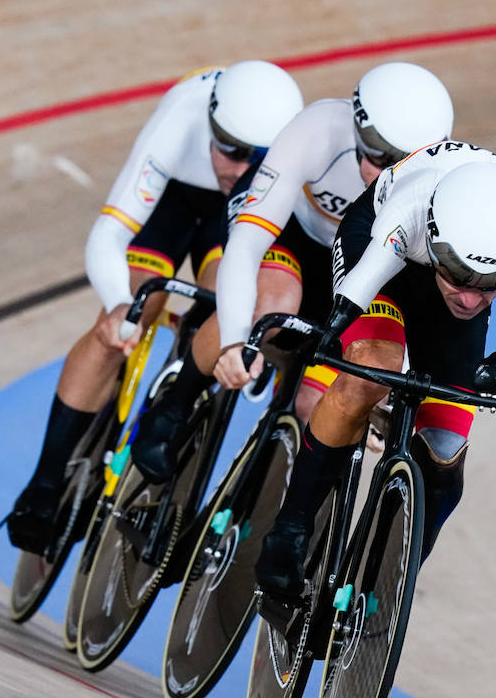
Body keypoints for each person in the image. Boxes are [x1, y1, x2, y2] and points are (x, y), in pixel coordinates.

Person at [253, 144, 496, 622]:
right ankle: (290, 530)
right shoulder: (412, 207)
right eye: (460, 276)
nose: (470, 298)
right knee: (370, 372)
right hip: (377, 247)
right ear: (438, 241)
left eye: (490, 283)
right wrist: (338, 341)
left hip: (444, 258)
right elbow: (357, 293)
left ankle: (386, 586)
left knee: (445, 455)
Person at [3, 61, 304, 553]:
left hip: (242, 215)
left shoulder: (292, 152)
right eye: (229, 149)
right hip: (172, 201)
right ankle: (44, 482)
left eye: (255, 157)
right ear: (210, 124)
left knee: (219, 311)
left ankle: (170, 455)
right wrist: (119, 304)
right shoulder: (181, 120)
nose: (236, 168)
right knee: (135, 310)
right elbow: (108, 235)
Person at [127, 61, 454, 482]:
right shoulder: (318, 131)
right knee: (272, 303)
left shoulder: (442, 182)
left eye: (405, 161)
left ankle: (259, 500)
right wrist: (234, 338)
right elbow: (246, 245)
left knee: (315, 405)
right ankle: (174, 406)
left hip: (354, 267)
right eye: (378, 156)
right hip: (292, 235)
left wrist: (387, 388)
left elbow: (422, 301)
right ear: (357, 131)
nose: (388, 174)